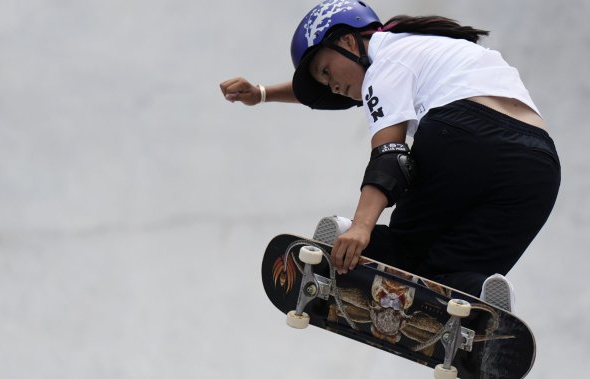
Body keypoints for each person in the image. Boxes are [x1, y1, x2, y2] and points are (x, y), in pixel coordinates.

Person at [219, 0, 560, 309]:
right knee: (448, 277)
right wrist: (263, 93)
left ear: (348, 41)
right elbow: (320, 87)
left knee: (404, 252)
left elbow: (391, 156)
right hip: (537, 168)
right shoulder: (429, 48)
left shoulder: (384, 64)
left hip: (463, 137)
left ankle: (341, 237)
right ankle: (482, 295)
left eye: (326, 72)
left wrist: (361, 227)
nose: (333, 87)